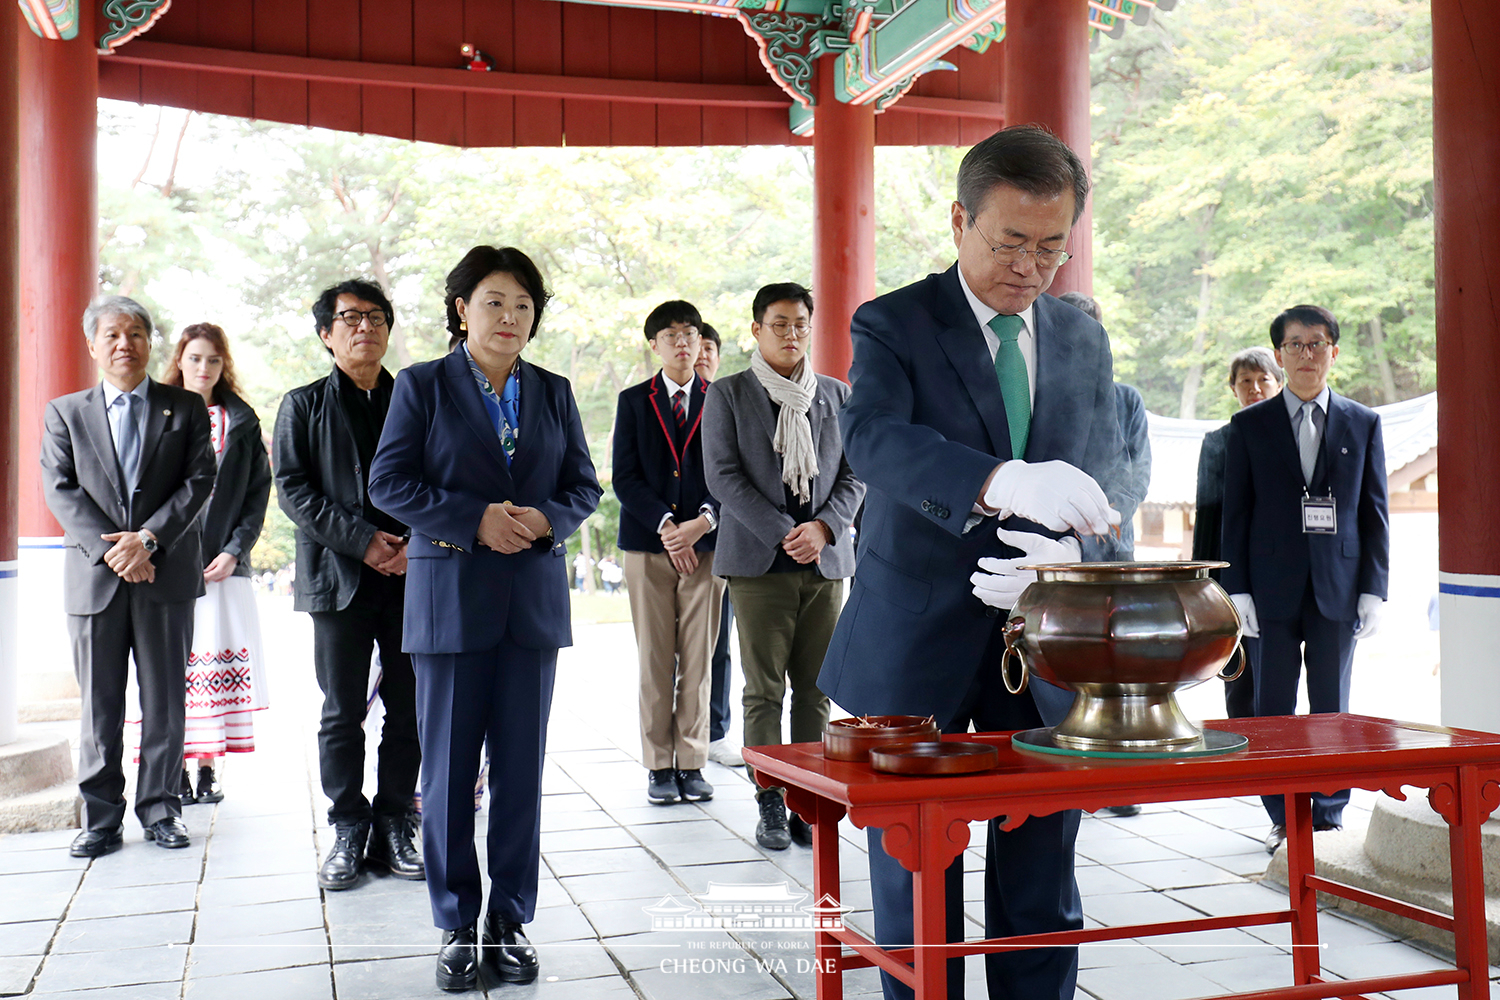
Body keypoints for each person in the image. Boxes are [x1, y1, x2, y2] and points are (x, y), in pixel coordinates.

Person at [817, 125, 1126, 1000]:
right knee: (919, 894)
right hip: (917, 648)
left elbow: (1103, 477)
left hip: (1043, 648)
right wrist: (1001, 483)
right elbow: (873, 440)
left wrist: (1068, 555)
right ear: (960, 220)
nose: (1031, 267)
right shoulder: (895, 321)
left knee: (1042, 890)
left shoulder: (1079, 336)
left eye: (1052, 247)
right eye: (1010, 243)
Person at [369, 245, 601, 992]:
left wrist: (542, 520)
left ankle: (510, 918)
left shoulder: (555, 390)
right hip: (449, 607)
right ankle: (453, 923)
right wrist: (474, 520)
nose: (510, 317)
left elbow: (583, 487)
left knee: (522, 776)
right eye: (495, 302)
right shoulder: (421, 385)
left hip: (531, 606)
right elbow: (389, 481)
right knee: (445, 776)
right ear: (462, 308)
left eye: (524, 306)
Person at [41, 295, 216, 857]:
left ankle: (162, 809)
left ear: (149, 342)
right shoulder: (65, 413)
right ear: (92, 345)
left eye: (136, 334)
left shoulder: (185, 408)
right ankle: (100, 817)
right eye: (112, 335)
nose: (125, 344)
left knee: (165, 700)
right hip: (95, 580)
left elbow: (198, 481)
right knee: (99, 704)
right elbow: (60, 489)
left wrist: (148, 540)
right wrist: (113, 549)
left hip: (164, 575)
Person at [1221, 305, 1389, 855]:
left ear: (1333, 352)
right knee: (1271, 707)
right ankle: (1282, 814)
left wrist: (1374, 588)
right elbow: (1236, 514)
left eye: (1317, 344)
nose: (1306, 355)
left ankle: (1329, 813)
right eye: (1295, 345)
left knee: (1331, 706)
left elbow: (1374, 511)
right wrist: (1237, 590)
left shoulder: (1363, 422)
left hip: (1337, 586)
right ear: (1279, 355)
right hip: (1269, 586)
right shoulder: (1248, 426)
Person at [702, 282, 865, 851]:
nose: (791, 334)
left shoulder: (836, 397)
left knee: (817, 691)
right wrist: (784, 532)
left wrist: (821, 528)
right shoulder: (728, 394)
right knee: (764, 690)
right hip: (758, 564)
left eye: (800, 324)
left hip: (823, 561)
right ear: (756, 329)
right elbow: (722, 476)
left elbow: (855, 474)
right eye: (779, 324)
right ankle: (770, 800)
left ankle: (807, 800)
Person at [273, 279, 424, 890]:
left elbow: (438, 476)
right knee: (341, 711)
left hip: (415, 576)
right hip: (339, 581)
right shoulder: (302, 405)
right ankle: (346, 825)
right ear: (326, 335)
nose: (365, 327)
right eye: (349, 318)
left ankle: (394, 821)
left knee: (410, 707)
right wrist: (363, 542)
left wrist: (415, 543)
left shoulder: (415, 398)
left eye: (376, 317)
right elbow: (294, 490)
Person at [613, 301, 724, 806]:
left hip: (708, 546)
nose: (683, 343)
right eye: (671, 335)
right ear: (654, 345)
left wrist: (700, 523)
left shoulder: (723, 399)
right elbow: (625, 477)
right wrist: (667, 527)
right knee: (655, 659)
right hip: (648, 546)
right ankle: (660, 765)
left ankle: (693, 761)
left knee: (699, 660)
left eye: (691, 333)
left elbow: (733, 473)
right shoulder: (634, 401)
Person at [160, 323, 272, 804]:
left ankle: (208, 769)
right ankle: (176, 769)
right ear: (180, 360)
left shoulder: (242, 420)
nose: (203, 368)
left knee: (211, 671)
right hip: (167, 567)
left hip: (224, 568)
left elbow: (256, 493)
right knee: (175, 669)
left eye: (213, 360)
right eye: (195, 358)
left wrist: (234, 551)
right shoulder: (157, 413)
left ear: (224, 366)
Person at [1192, 346, 1283, 719]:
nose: (1255, 388)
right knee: (1239, 670)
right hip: (1231, 568)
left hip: (1279, 570)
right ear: (1233, 389)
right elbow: (1207, 513)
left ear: (1280, 384)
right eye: (1246, 381)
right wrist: (1202, 580)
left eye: (1264, 379)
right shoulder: (1217, 441)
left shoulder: (1293, 438)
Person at [697, 323, 744, 768]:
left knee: (720, 644)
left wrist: (705, 519)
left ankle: (715, 730)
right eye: (695, 347)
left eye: (709, 348)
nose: (700, 356)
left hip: (724, 540)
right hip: (669, 540)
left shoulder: (730, 398)